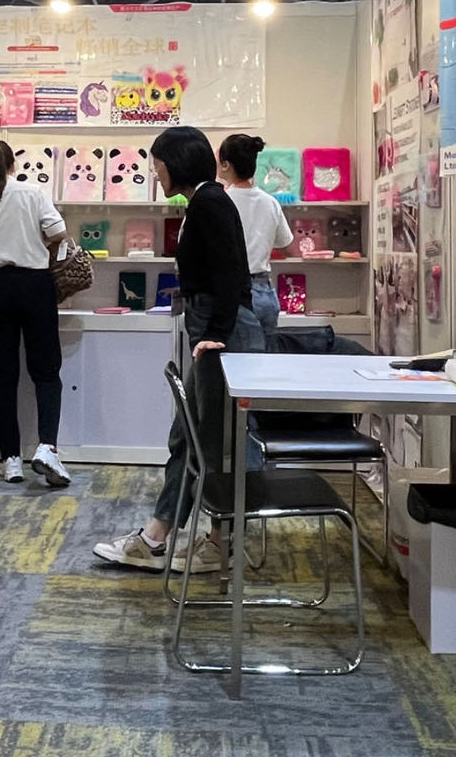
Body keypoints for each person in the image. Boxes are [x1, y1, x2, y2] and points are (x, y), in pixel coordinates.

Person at [92, 126, 266, 575]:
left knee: (212, 439)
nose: (155, 173)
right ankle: (163, 535)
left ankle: (213, 540)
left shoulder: (209, 202)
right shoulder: (205, 201)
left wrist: (219, 332)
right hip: (214, 326)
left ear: (177, 163)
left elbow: (231, 273)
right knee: (191, 434)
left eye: (158, 165)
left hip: (221, 330)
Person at [0, 140, 72, 487]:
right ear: (14, 164)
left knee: (2, 375)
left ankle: (11, 459)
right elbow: (59, 232)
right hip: (36, 285)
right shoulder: (33, 193)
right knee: (46, 371)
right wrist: (38, 242)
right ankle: (47, 448)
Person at [218, 133, 295, 336]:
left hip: (232, 292)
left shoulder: (219, 202)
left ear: (225, 165)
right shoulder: (270, 202)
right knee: (266, 353)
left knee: (233, 354)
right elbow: (286, 245)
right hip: (264, 292)